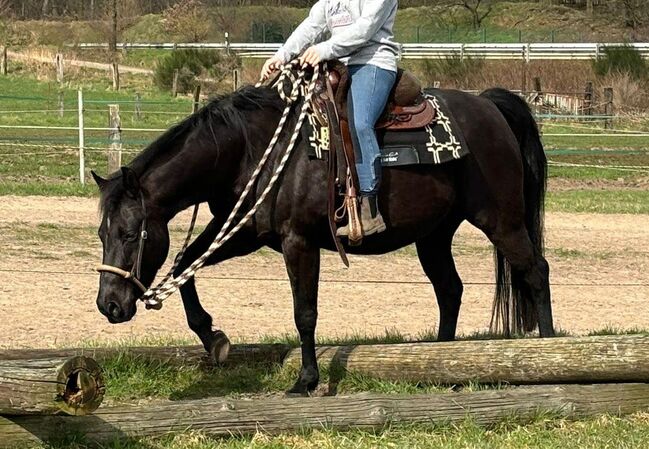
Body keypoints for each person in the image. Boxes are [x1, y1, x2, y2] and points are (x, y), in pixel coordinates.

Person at [261, 0, 400, 237]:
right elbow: (312, 26)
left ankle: (370, 207)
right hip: (337, 63)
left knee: (361, 122)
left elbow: (366, 28)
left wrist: (324, 49)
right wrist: (281, 56)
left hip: (372, 62)